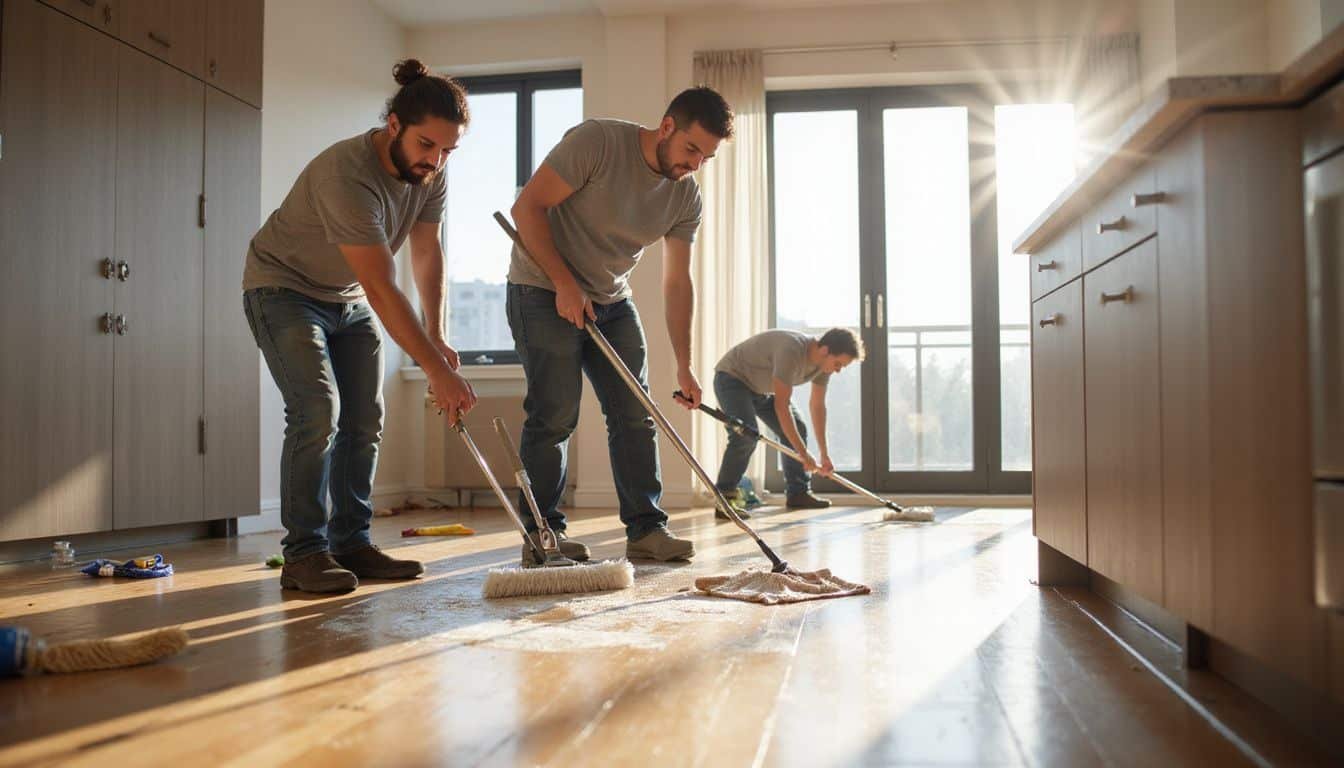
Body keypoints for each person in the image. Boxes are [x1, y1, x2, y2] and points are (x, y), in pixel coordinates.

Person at [242, 59, 477, 593]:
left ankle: (352, 543)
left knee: (365, 418)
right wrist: (436, 370)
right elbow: (382, 285)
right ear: (393, 125)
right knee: (316, 410)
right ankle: (305, 554)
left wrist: (435, 336)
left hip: (345, 298)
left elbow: (427, 250)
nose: (435, 161)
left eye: (447, 151)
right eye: (426, 146)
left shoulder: (430, 173)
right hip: (283, 289)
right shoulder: (344, 175)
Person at [506, 87, 734, 563]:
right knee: (555, 415)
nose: (695, 164)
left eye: (706, 157)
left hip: (610, 299)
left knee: (635, 413)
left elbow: (677, 283)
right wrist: (564, 283)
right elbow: (527, 207)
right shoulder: (599, 142)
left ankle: (647, 530)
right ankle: (542, 537)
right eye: (692, 148)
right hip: (541, 289)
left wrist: (685, 365)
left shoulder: (685, 197)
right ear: (667, 125)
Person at [712, 328, 864, 516]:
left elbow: (817, 406)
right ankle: (725, 500)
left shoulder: (824, 367)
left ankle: (798, 493)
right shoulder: (791, 350)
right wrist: (803, 453)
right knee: (745, 436)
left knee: (798, 428)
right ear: (825, 350)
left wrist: (824, 454)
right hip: (733, 379)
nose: (838, 370)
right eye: (838, 364)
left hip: (761, 390)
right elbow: (781, 407)